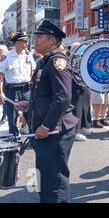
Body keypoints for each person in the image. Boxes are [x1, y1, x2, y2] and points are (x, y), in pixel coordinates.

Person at [15, 20, 78, 203]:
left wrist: (46, 126)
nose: (35, 40)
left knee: (55, 182)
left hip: (54, 130)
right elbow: (47, 95)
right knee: (45, 178)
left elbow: (63, 98)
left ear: (52, 40)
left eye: (39, 36)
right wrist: (28, 104)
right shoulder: (47, 60)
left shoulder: (58, 61)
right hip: (47, 130)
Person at [0, 32, 36, 135]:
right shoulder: (7, 56)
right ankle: (13, 137)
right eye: (24, 41)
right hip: (12, 89)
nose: (27, 43)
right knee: (12, 115)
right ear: (17, 42)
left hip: (26, 88)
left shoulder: (28, 55)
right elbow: (0, 75)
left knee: (29, 113)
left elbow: (33, 71)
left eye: (27, 41)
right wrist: (1, 92)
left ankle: (32, 136)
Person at [69, 42, 91, 142]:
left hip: (84, 84)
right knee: (76, 107)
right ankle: (75, 131)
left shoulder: (84, 58)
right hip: (74, 84)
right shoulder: (70, 59)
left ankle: (83, 126)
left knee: (85, 106)